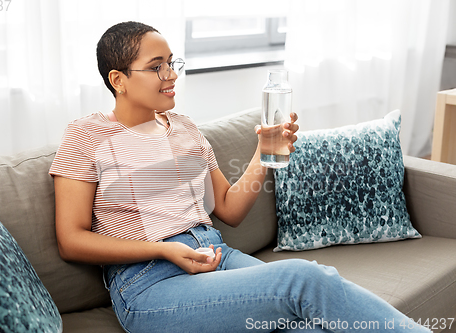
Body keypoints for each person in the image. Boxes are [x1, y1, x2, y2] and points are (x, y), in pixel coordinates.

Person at [49, 21, 430, 333]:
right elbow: (72, 240)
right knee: (304, 279)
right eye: (155, 67)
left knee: (311, 326)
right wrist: (163, 249)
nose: (170, 75)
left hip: (218, 256)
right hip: (148, 283)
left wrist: (266, 152)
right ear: (118, 79)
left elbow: (229, 209)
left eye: (171, 63)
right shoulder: (87, 136)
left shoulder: (185, 129)